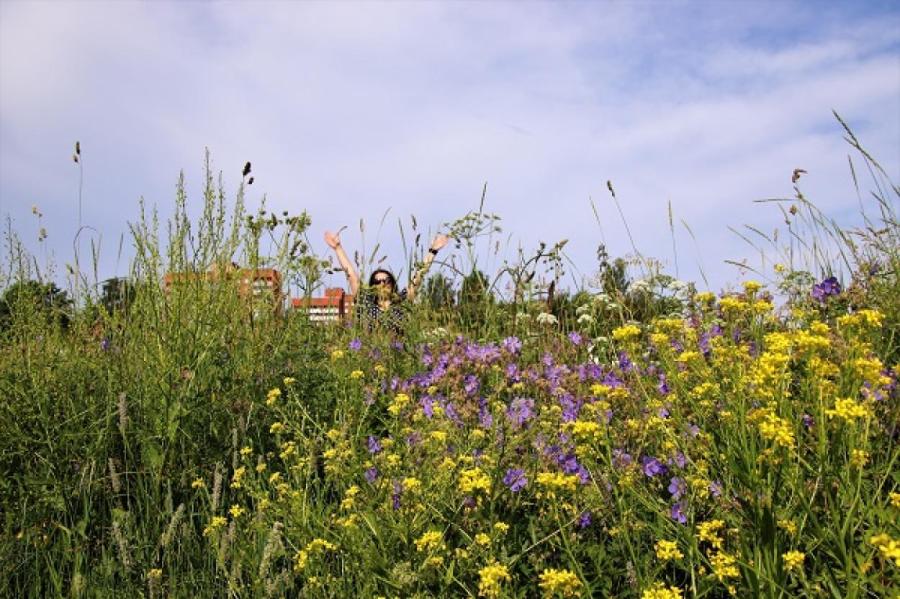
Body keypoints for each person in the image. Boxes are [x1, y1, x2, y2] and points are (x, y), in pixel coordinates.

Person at [323, 229, 449, 334]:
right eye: (377, 281)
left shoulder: (401, 300)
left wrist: (433, 251)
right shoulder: (365, 301)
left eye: (386, 280)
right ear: (373, 286)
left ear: (393, 283)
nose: (382, 283)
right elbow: (351, 275)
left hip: (398, 356)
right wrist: (338, 248)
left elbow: (418, 277)